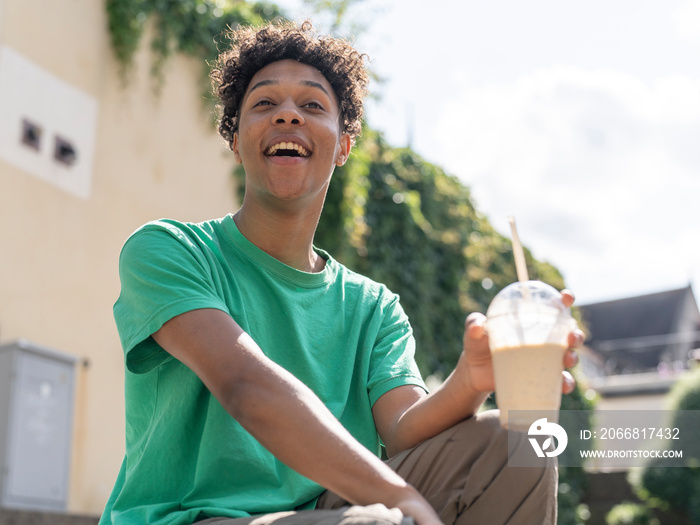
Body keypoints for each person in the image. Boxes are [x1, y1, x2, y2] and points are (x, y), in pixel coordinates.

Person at [99, 20, 583, 525]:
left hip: (326, 511)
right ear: (235, 138)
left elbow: (401, 429)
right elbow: (245, 384)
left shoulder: (373, 308)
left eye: (312, 106)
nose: (288, 115)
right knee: (374, 521)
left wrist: (471, 379)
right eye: (264, 104)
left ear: (345, 145)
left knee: (521, 442)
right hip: (191, 518)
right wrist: (399, 500)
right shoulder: (171, 251)